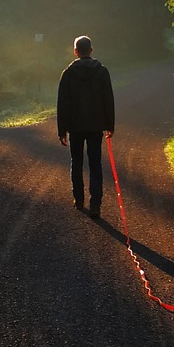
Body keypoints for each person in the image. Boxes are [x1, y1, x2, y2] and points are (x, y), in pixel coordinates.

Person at [57, 35, 115, 219]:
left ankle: (79, 199)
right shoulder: (102, 72)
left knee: (77, 162)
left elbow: (62, 103)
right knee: (95, 163)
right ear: (91, 50)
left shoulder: (68, 73)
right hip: (96, 124)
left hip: (75, 125)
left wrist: (62, 129)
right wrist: (109, 124)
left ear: (75, 51)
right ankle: (95, 204)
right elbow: (108, 99)